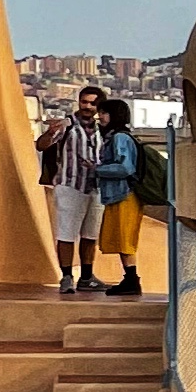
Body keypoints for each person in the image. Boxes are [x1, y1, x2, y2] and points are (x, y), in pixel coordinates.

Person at [42, 85, 108, 294]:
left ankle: (86, 277)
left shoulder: (103, 129)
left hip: (96, 187)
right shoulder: (67, 125)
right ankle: (67, 276)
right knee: (67, 233)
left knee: (90, 234)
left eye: (92, 103)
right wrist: (50, 133)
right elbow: (42, 145)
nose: (87, 106)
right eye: (84, 102)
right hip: (70, 185)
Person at [94, 96, 145, 298]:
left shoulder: (119, 138)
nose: (100, 117)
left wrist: (97, 169)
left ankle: (131, 279)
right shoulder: (120, 137)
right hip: (120, 195)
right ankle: (129, 278)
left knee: (124, 239)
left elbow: (125, 168)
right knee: (122, 239)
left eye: (104, 113)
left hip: (123, 195)